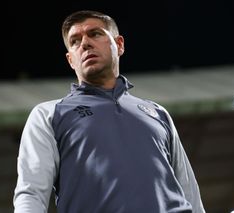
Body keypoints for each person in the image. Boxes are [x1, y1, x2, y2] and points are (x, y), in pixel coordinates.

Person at [13, 10, 206, 213]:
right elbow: (31, 192)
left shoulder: (157, 113)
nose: (85, 43)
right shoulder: (49, 114)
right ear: (71, 60)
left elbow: (189, 191)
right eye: (75, 41)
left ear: (119, 44)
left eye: (95, 34)